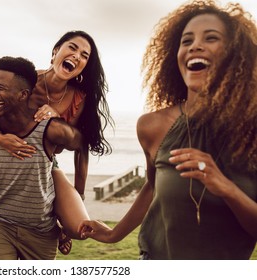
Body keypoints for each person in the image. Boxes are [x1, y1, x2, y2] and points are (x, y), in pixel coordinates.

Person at [79, 0, 257, 260]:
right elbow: (152, 188)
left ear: (235, 54)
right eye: (186, 41)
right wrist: (112, 234)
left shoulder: (251, 131)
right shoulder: (153, 126)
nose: (195, 46)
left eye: (211, 38)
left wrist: (224, 186)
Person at [0, 30, 114, 254]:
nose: (77, 56)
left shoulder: (78, 97)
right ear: (56, 52)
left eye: (85, 55)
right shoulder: (26, 81)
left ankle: (59, 221)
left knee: (76, 224)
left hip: (45, 162)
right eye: (72, 48)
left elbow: (78, 145)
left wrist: (79, 195)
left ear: (85, 65)